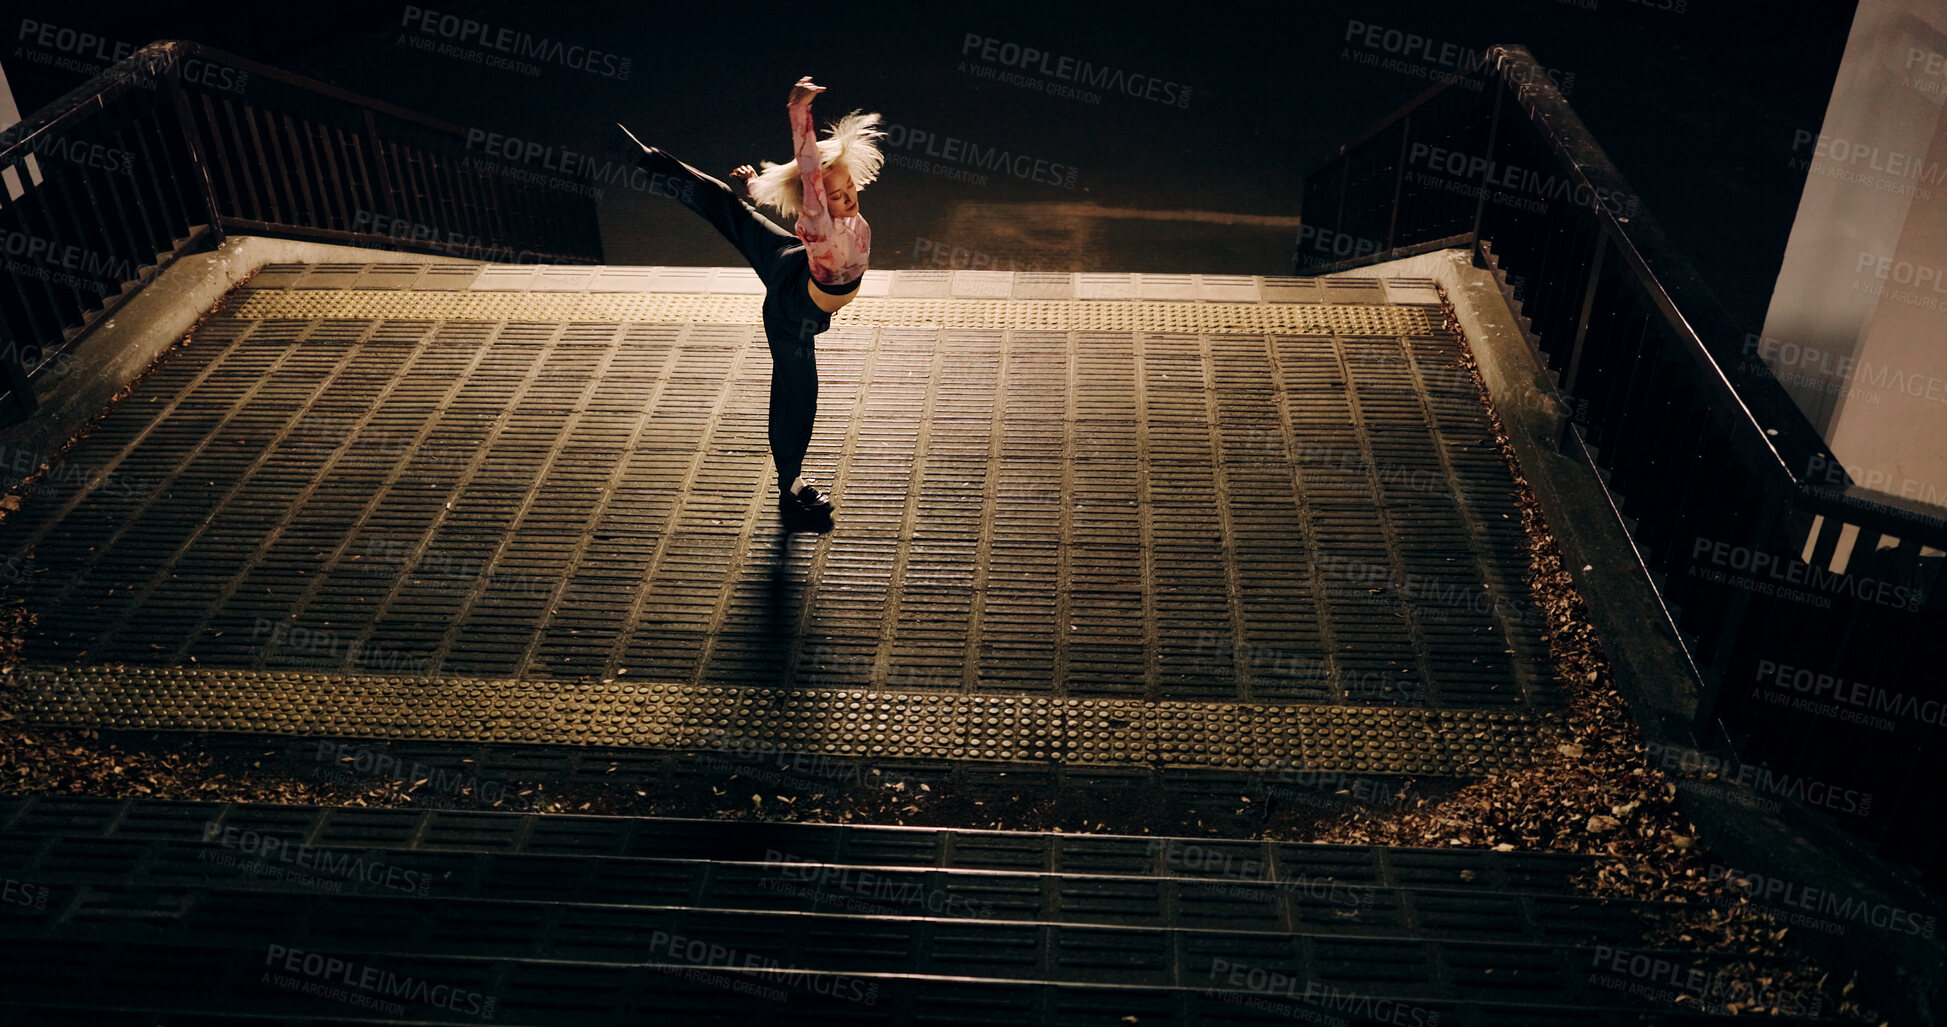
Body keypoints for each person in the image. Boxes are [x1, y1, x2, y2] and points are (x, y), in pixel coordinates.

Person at [620, 76, 883, 529]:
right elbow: (806, 165)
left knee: (733, 208)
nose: (846, 198)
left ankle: (652, 163)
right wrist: (799, 111)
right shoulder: (821, 217)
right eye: (833, 193)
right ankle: (791, 484)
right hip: (793, 312)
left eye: (848, 190)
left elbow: (812, 177)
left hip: (792, 262)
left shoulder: (838, 207)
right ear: (817, 196)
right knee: (798, 396)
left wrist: (759, 184)